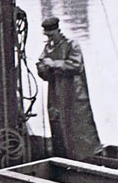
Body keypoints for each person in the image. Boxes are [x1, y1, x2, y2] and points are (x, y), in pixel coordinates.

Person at [36, 17, 102, 161]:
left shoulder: (72, 45)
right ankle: (63, 159)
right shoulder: (48, 48)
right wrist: (42, 68)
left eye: (51, 35)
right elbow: (43, 70)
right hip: (55, 92)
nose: (49, 38)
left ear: (58, 31)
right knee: (58, 124)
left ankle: (88, 158)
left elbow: (76, 66)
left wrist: (53, 64)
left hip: (73, 92)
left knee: (79, 126)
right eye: (47, 35)